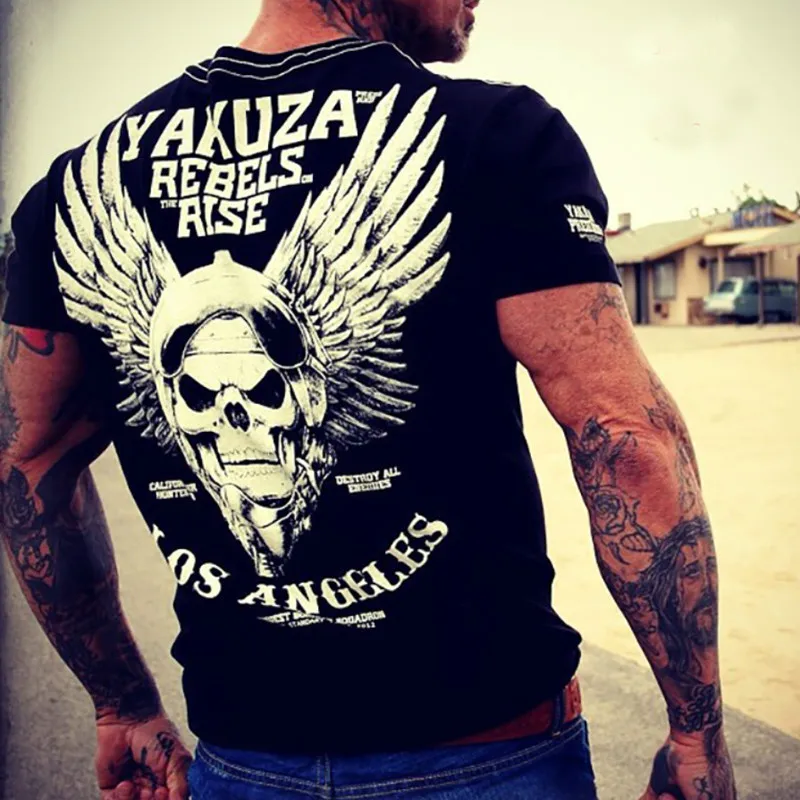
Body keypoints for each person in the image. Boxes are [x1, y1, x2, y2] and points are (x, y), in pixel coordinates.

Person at [0, 1, 737, 798]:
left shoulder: (78, 183)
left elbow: (26, 465)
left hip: (241, 764)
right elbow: (627, 441)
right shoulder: (493, 135)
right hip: (489, 758)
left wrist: (122, 705)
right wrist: (696, 731)